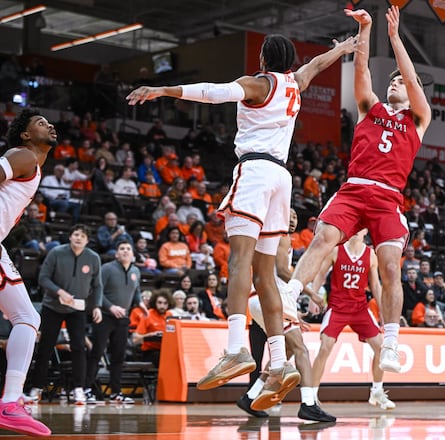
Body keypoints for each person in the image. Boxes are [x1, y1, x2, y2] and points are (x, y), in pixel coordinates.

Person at [127, 30, 358, 403]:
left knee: (239, 263)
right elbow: (315, 65)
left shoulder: (257, 83)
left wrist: (163, 91)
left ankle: (237, 348)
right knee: (265, 275)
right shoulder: (295, 83)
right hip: (283, 179)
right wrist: (342, 50)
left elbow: (213, 92)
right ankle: (280, 363)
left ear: (264, 58)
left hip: (254, 173)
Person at [283, 6, 432, 375]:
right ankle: (290, 296)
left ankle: (392, 342)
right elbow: (362, 69)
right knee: (323, 238)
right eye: (392, 81)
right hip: (354, 190)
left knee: (389, 268)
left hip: (387, 199)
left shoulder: (419, 118)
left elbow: (412, 79)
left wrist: (395, 38)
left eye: (399, 82)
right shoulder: (369, 108)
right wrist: (365, 29)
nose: (395, 83)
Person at [241, 209, 334, 422]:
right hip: (272, 298)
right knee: (301, 349)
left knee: (290, 349)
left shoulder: (267, 235)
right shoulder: (281, 236)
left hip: (264, 298)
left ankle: (251, 395)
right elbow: (283, 270)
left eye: (294, 216)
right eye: (288, 215)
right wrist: (311, 292)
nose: (292, 219)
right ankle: (309, 404)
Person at [0, 110, 56, 436]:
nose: (48, 125)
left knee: (27, 319)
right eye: (39, 122)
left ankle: (11, 400)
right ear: (24, 134)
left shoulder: (32, 166)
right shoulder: (23, 157)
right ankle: (10, 402)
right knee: (26, 318)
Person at [310, 229, 396, 410]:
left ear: (366, 231)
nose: (356, 230)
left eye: (360, 228)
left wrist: (383, 312)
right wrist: (313, 297)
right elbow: (320, 274)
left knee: (381, 348)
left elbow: (375, 286)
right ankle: (311, 396)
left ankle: (377, 392)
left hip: (360, 309)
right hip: (338, 308)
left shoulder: (370, 254)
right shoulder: (336, 250)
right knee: (325, 347)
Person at [28, 224, 103, 406]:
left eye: (83, 236)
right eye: (76, 234)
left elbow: (98, 286)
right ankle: (36, 388)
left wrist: (97, 306)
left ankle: (79, 389)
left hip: (77, 309)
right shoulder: (56, 253)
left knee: (78, 347)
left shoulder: (93, 258)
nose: (79, 238)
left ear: (87, 240)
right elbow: (43, 278)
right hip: (52, 307)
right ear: (70, 237)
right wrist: (59, 291)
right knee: (46, 347)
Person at [85, 240, 146, 404]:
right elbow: (96, 291)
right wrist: (111, 307)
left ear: (133, 254)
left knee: (119, 357)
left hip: (122, 319)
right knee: (96, 353)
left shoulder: (135, 271)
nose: (125, 251)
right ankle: (86, 389)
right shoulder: (107, 269)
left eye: (128, 249)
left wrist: (140, 304)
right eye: (122, 249)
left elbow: (136, 290)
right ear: (116, 253)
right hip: (104, 316)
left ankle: (115, 393)